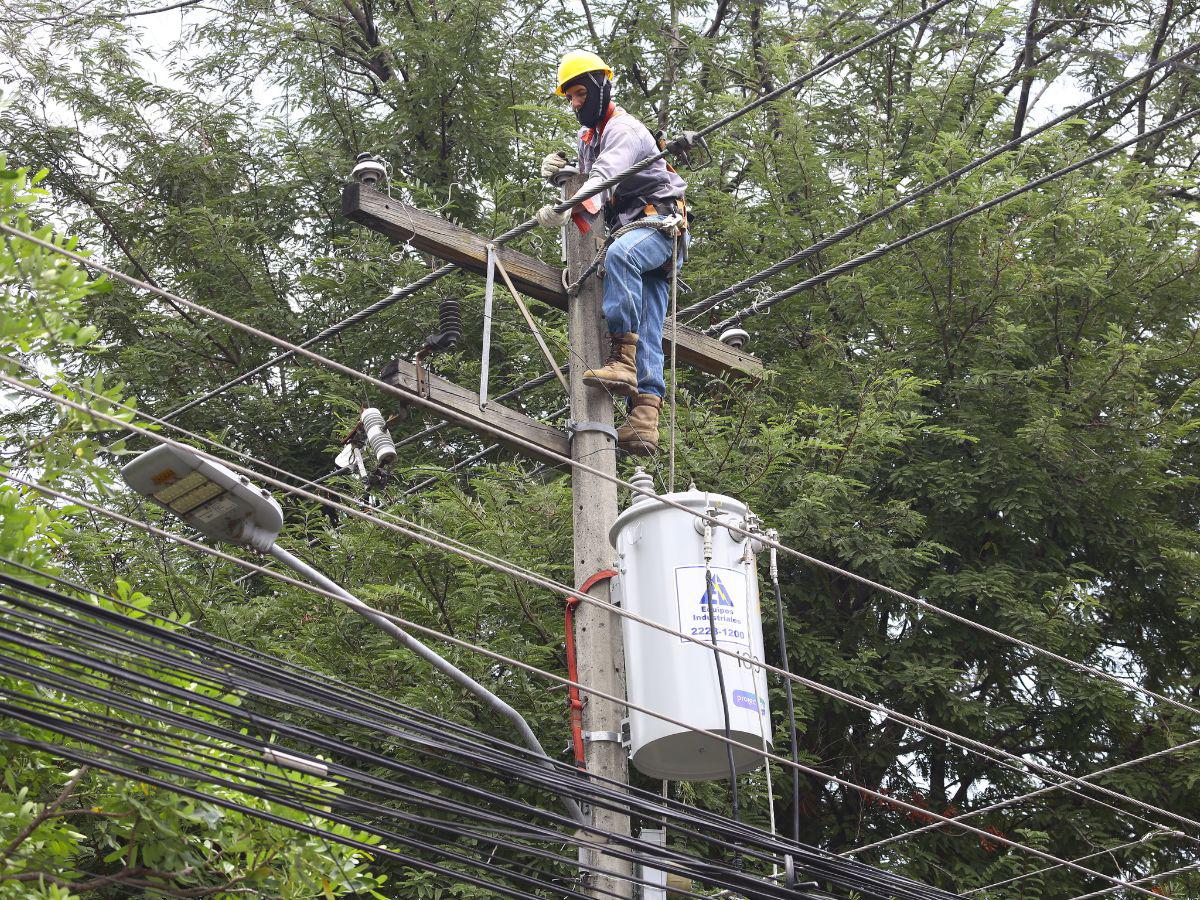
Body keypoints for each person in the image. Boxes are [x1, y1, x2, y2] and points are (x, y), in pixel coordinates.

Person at [534, 50, 688, 456]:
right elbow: (590, 186)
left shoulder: (624, 130)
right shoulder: (590, 139)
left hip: (658, 227)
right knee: (650, 325)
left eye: (581, 93)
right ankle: (644, 420)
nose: (575, 104)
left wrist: (564, 207)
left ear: (602, 87)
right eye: (570, 98)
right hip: (635, 233)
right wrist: (564, 179)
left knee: (621, 256)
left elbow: (602, 182)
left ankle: (622, 360)